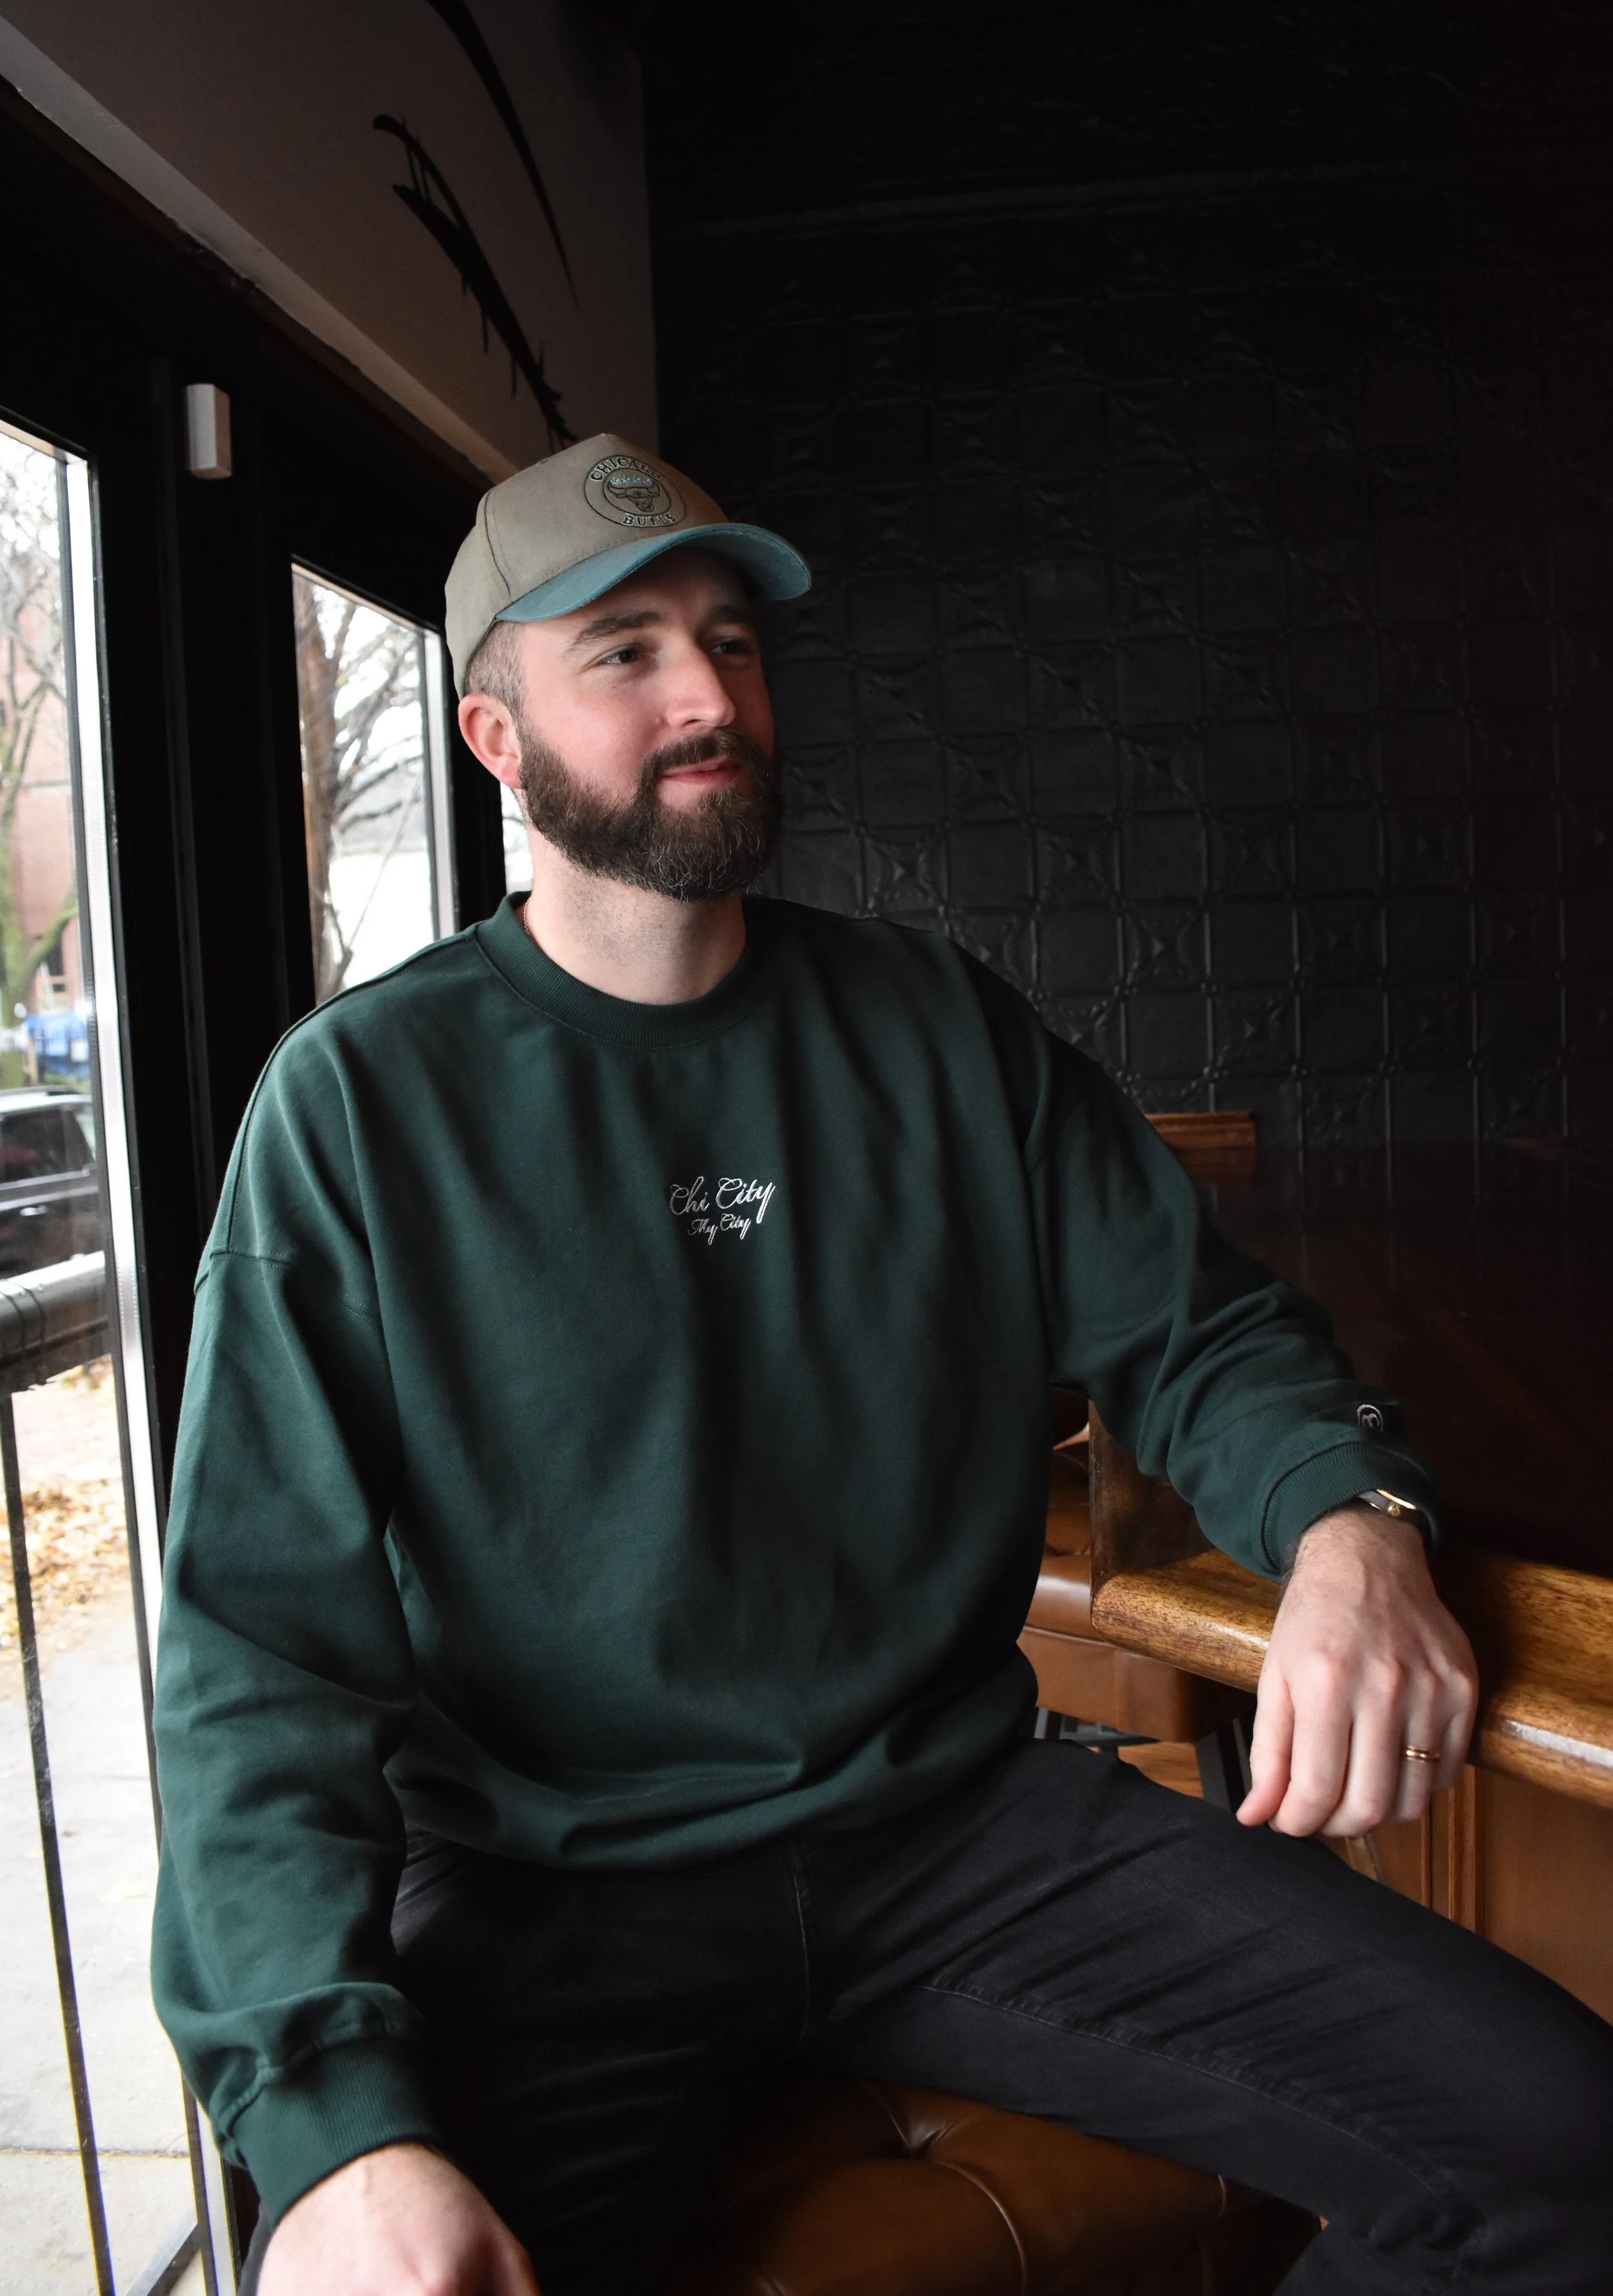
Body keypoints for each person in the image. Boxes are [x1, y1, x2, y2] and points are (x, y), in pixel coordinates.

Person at [152, 434, 1613, 2296]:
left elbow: (1205, 1332)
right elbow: (258, 1660)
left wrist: (1354, 1521)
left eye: (730, 638)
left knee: (1562, 2147)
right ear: (495, 737)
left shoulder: (937, 1025)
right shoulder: (357, 1103)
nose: (707, 695)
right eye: (624, 652)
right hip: (553, 1890)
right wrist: (330, 2122)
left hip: (957, 1830)